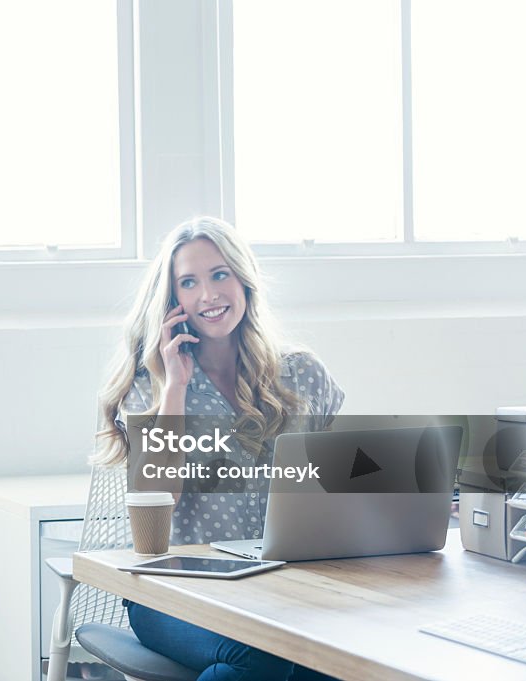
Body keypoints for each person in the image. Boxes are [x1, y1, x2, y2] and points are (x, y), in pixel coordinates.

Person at [92, 217, 344, 681]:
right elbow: (157, 501)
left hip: (283, 586)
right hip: (176, 591)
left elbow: (330, 490)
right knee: (266, 656)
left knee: (331, 660)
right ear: (173, 301)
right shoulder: (150, 384)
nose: (208, 294)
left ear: (244, 281)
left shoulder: (303, 374)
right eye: (189, 282)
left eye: (220, 274)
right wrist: (176, 390)